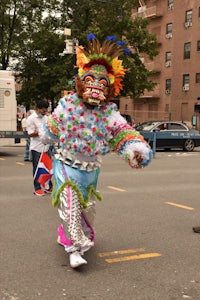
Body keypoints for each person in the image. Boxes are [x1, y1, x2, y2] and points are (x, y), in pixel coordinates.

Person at [40, 34, 153, 268]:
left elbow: (123, 132)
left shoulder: (108, 112)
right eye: (91, 79)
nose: (96, 86)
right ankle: (74, 250)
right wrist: (51, 130)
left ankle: (69, 236)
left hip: (91, 169)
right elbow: (49, 132)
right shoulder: (68, 105)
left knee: (87, 210)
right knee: (70, 204)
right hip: (66, 164)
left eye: (102, 83)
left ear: (110, 87)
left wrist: (135, 150)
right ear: (81, 80)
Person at [26, 100, 52, 196]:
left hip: (46, 146)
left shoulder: (46, 117)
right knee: (37, 168)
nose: (44, 112)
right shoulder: (31, 119)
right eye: (43, 110)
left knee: (48, 168)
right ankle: (37, 188)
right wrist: (41, 131)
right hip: (36, 147)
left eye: (46, 110)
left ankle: (48, 186)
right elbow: (31, 134)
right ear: (37, 109)